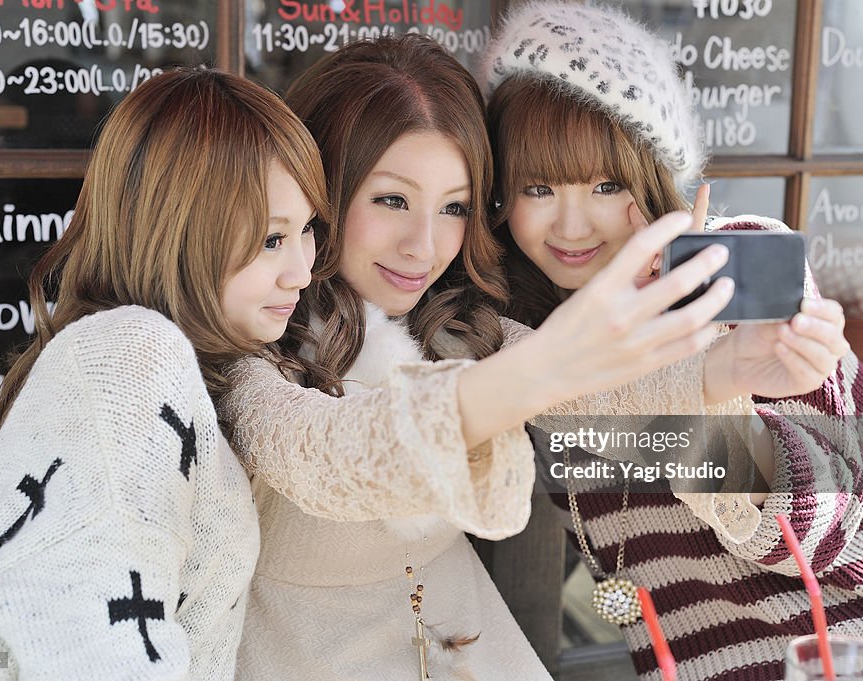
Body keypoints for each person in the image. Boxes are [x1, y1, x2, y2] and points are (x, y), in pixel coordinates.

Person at [218, 34, 746, 681]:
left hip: (467, 637)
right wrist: (530, 373)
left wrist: (731, 368)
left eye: (455, 208)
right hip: (299, 653)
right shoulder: (255, 345)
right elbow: (329, 450)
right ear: (321, 186)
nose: (423, 244)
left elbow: (601, 397)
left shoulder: (460, 326)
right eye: (391, 200)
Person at [480, 2, 863, 678]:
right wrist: (700, 381)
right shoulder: (518, 337)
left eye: (607, 184)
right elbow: (558, 388)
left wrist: (720, 379)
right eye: (539, 186)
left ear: (651, 174)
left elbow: (815, 535)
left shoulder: (742, 271)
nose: (573, 224)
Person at [0, 67, 330, 680]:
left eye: (307, 231)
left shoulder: (141, 359)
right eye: (272, 240)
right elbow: (95, 641)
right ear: (181, 231)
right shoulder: (130, 358)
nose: (301, 270)